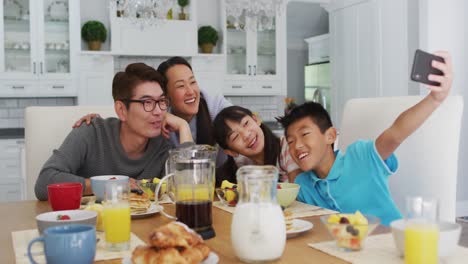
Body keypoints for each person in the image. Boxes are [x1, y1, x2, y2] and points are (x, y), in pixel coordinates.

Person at [277, 51, 453, 226]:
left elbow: (396, 133)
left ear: (330, 135)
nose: (297, 146)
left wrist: (434, 99)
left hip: (391, 242)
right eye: (290, 142)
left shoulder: (361, 157)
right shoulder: (303, 185)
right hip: (344, 250)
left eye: (305, 134)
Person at [35, 63, 193, 201]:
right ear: (122, 110)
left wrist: (183, 126)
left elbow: (190, 189)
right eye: (148, 102)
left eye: (161, 102)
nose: (159, 111)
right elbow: (44, 183)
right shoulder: (91, 132)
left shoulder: (161, 144)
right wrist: (111, 184)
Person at [74, 56, 232, 167]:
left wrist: (182, 126)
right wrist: (97, 124)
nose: (190, 91)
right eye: (180, 86)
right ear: (167, 95)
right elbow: (129, 120)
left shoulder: (211, 103)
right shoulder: (157, 128)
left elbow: (246, 123)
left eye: (192, 82)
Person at [213, 106, 301, 184]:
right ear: (231, 152)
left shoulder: (287, 148)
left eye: (246, 124)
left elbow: (297, 192)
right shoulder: (243, 164)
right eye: (235, 136)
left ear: (256, 120)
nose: (246, 135)